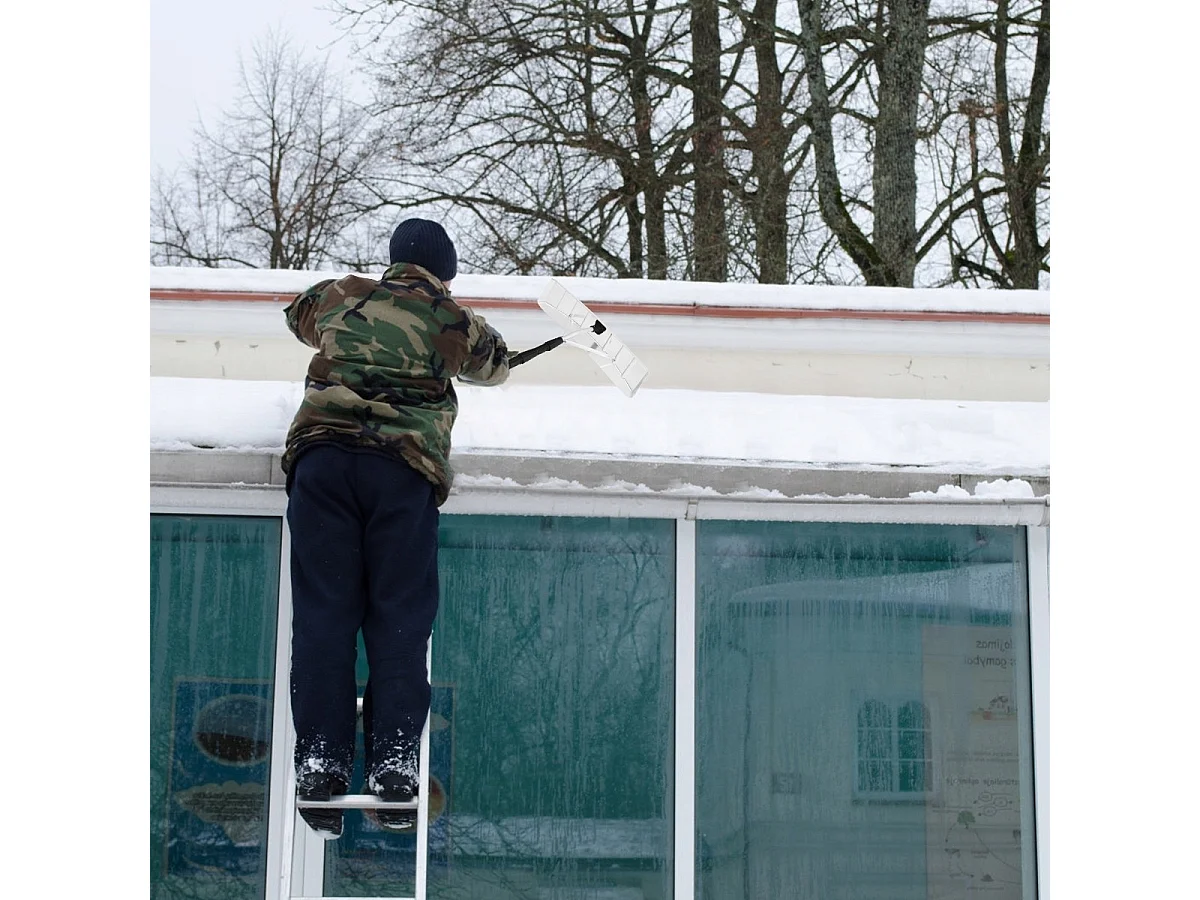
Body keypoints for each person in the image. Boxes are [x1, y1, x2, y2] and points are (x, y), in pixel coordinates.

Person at [280, 218, 509, 838]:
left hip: (323, 465)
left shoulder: (340, 295)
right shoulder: (449, 319)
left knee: (325, 617)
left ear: (392, 260)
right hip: (400, 472)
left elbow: (295, 315)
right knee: (400, 623)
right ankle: (394, 766)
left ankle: (321, 765)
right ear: (444, 272)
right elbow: (495, 366)